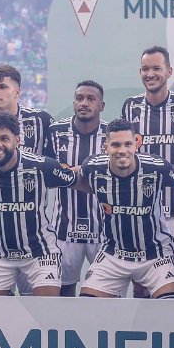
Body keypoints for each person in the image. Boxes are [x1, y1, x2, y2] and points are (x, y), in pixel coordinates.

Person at [0, 113, 76, 296]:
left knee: (46, 311)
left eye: (4, 138)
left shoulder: (42, 167)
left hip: (40, 254)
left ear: (17, 140)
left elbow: (81, 182)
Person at [120, 46, 174, 284]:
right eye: (145, 69)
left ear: (169, 71)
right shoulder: (130, 106)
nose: (150, 74)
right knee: (141, 283)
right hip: (142, 210)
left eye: (156, 68)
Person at [78, 119, 174, 299]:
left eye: (128, 144)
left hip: (155, 255)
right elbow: (74, 175)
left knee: (172, 307)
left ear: (136, 144)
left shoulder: (157, 167)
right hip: (113, 254)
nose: (122, 150)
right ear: (106, 147)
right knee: (89, 311)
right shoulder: (92, 167)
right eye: (115, 145)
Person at [51, 81, 107, 296]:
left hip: (104, 230)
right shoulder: (55, 132)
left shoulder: (112, 135)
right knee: (63, 290)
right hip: (64, 228)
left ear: (101, 106)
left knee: (106, 293)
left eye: (91, 99)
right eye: (80, 98)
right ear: (74, 102)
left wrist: (78, 170)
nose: (84, 103)